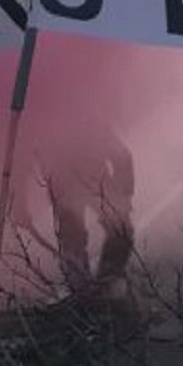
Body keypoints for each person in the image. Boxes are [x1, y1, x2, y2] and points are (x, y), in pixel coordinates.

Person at [42, 122, 136, 296]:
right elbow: (123, 156)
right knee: (76, 238)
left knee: (119, 230)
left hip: (89, 180)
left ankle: (102, 282)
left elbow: (122, 156)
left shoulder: (88, 122)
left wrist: (123, 195)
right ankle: (93, 286)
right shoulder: (72, 121)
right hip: (69, 183)